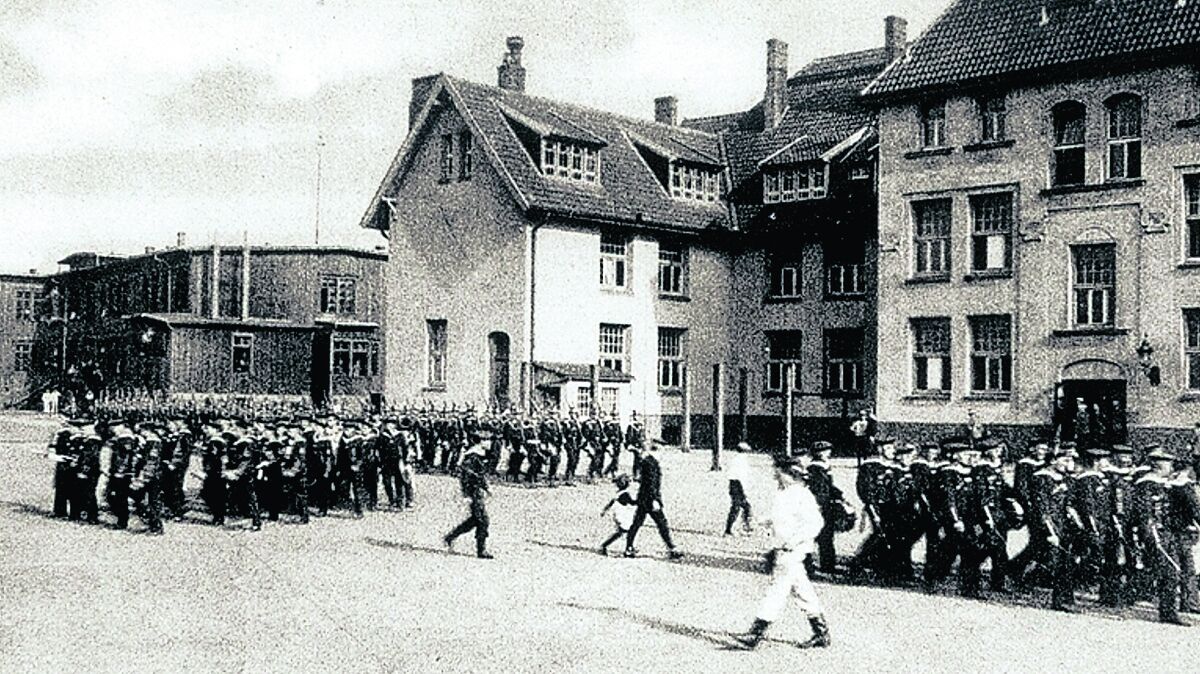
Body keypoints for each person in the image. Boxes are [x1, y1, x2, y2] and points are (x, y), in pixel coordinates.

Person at [733, 455, 831, 650]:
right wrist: (761, 520)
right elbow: (781, 517)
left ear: (788, 473)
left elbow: (815, 523)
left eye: (777, 471)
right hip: (784, 549)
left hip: (792, 550)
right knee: (803, 591)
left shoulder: (802, 495)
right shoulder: (785, 493)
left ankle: (755, 633)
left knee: (776, 591)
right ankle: (821, 633)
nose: (774, 475)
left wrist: (793, 541)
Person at [624, 440, 684, 560]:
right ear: (656, 450)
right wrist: (654, 500)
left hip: (644, 498)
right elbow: (651, 484)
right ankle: (672, 549)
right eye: (661, 450)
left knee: (638, 523)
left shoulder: (649, 462)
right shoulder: (651, 463)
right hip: (650, 500)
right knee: (661, 523)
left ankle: (629, 547)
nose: (663, 453)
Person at [444, 433, 494, 559]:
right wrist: (467, 494)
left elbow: (480, 475)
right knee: (483, 520)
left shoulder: (479, 455)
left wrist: (486, 487)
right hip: (473, 491)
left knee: (474, 520)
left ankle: (450, 537)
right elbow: (466, 476)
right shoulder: (472, 456)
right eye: (487, 440)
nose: (490, 443)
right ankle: (481, 550)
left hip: (477, 491)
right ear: (480, 442)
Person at [599, 474, 637, 555]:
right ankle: (628, 548)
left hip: (618, 514)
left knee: (621, 532)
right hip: (622, 515)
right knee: (626, 531)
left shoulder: (619, 493)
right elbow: (632, 502)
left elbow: (611, 503)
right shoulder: (625, 494)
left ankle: (628, 547)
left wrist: (604, 510)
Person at [725, 441, 753, 536]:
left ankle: (739, 527)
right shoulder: (742, 461)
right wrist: (745, 490)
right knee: (740, 507)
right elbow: (742, 477)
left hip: (733, 484)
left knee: (741, 507)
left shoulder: (735, 459)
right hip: (738, 485)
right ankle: (739, 528)